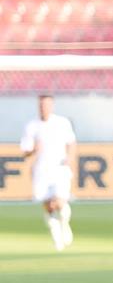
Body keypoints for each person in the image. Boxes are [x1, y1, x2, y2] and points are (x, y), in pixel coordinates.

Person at [19, 95, 77, 251]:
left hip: (59, 168)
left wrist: (70, 158)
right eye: (41, 105)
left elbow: (71, 142)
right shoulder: (32, 126)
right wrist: (33, 150)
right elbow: (25, 151)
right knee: (48, 205)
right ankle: (55, 233)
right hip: (42, 170)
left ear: (52, 106)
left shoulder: (62, 123)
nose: (43, 108)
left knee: (59, 201)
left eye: (46, 105)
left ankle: (64, 224)